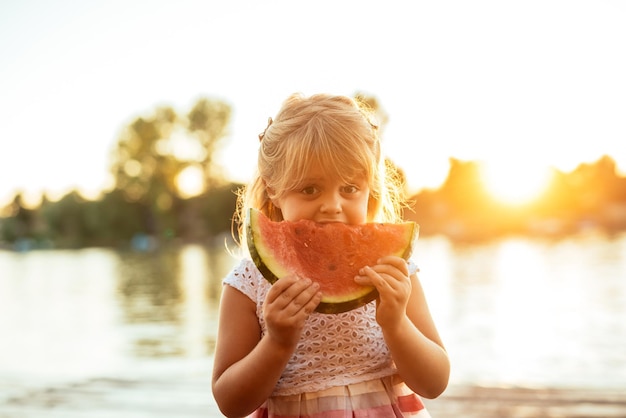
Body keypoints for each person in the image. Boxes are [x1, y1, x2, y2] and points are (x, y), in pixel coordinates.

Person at [212, 93, 450, 417]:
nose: (333, 205)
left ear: (370, 188)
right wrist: (277, 342)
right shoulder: (249, 282)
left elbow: (435, 382)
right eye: (310, 189)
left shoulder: (394, 271)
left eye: (350, 188)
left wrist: (396, 324)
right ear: (273, 189)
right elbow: (229, 402)